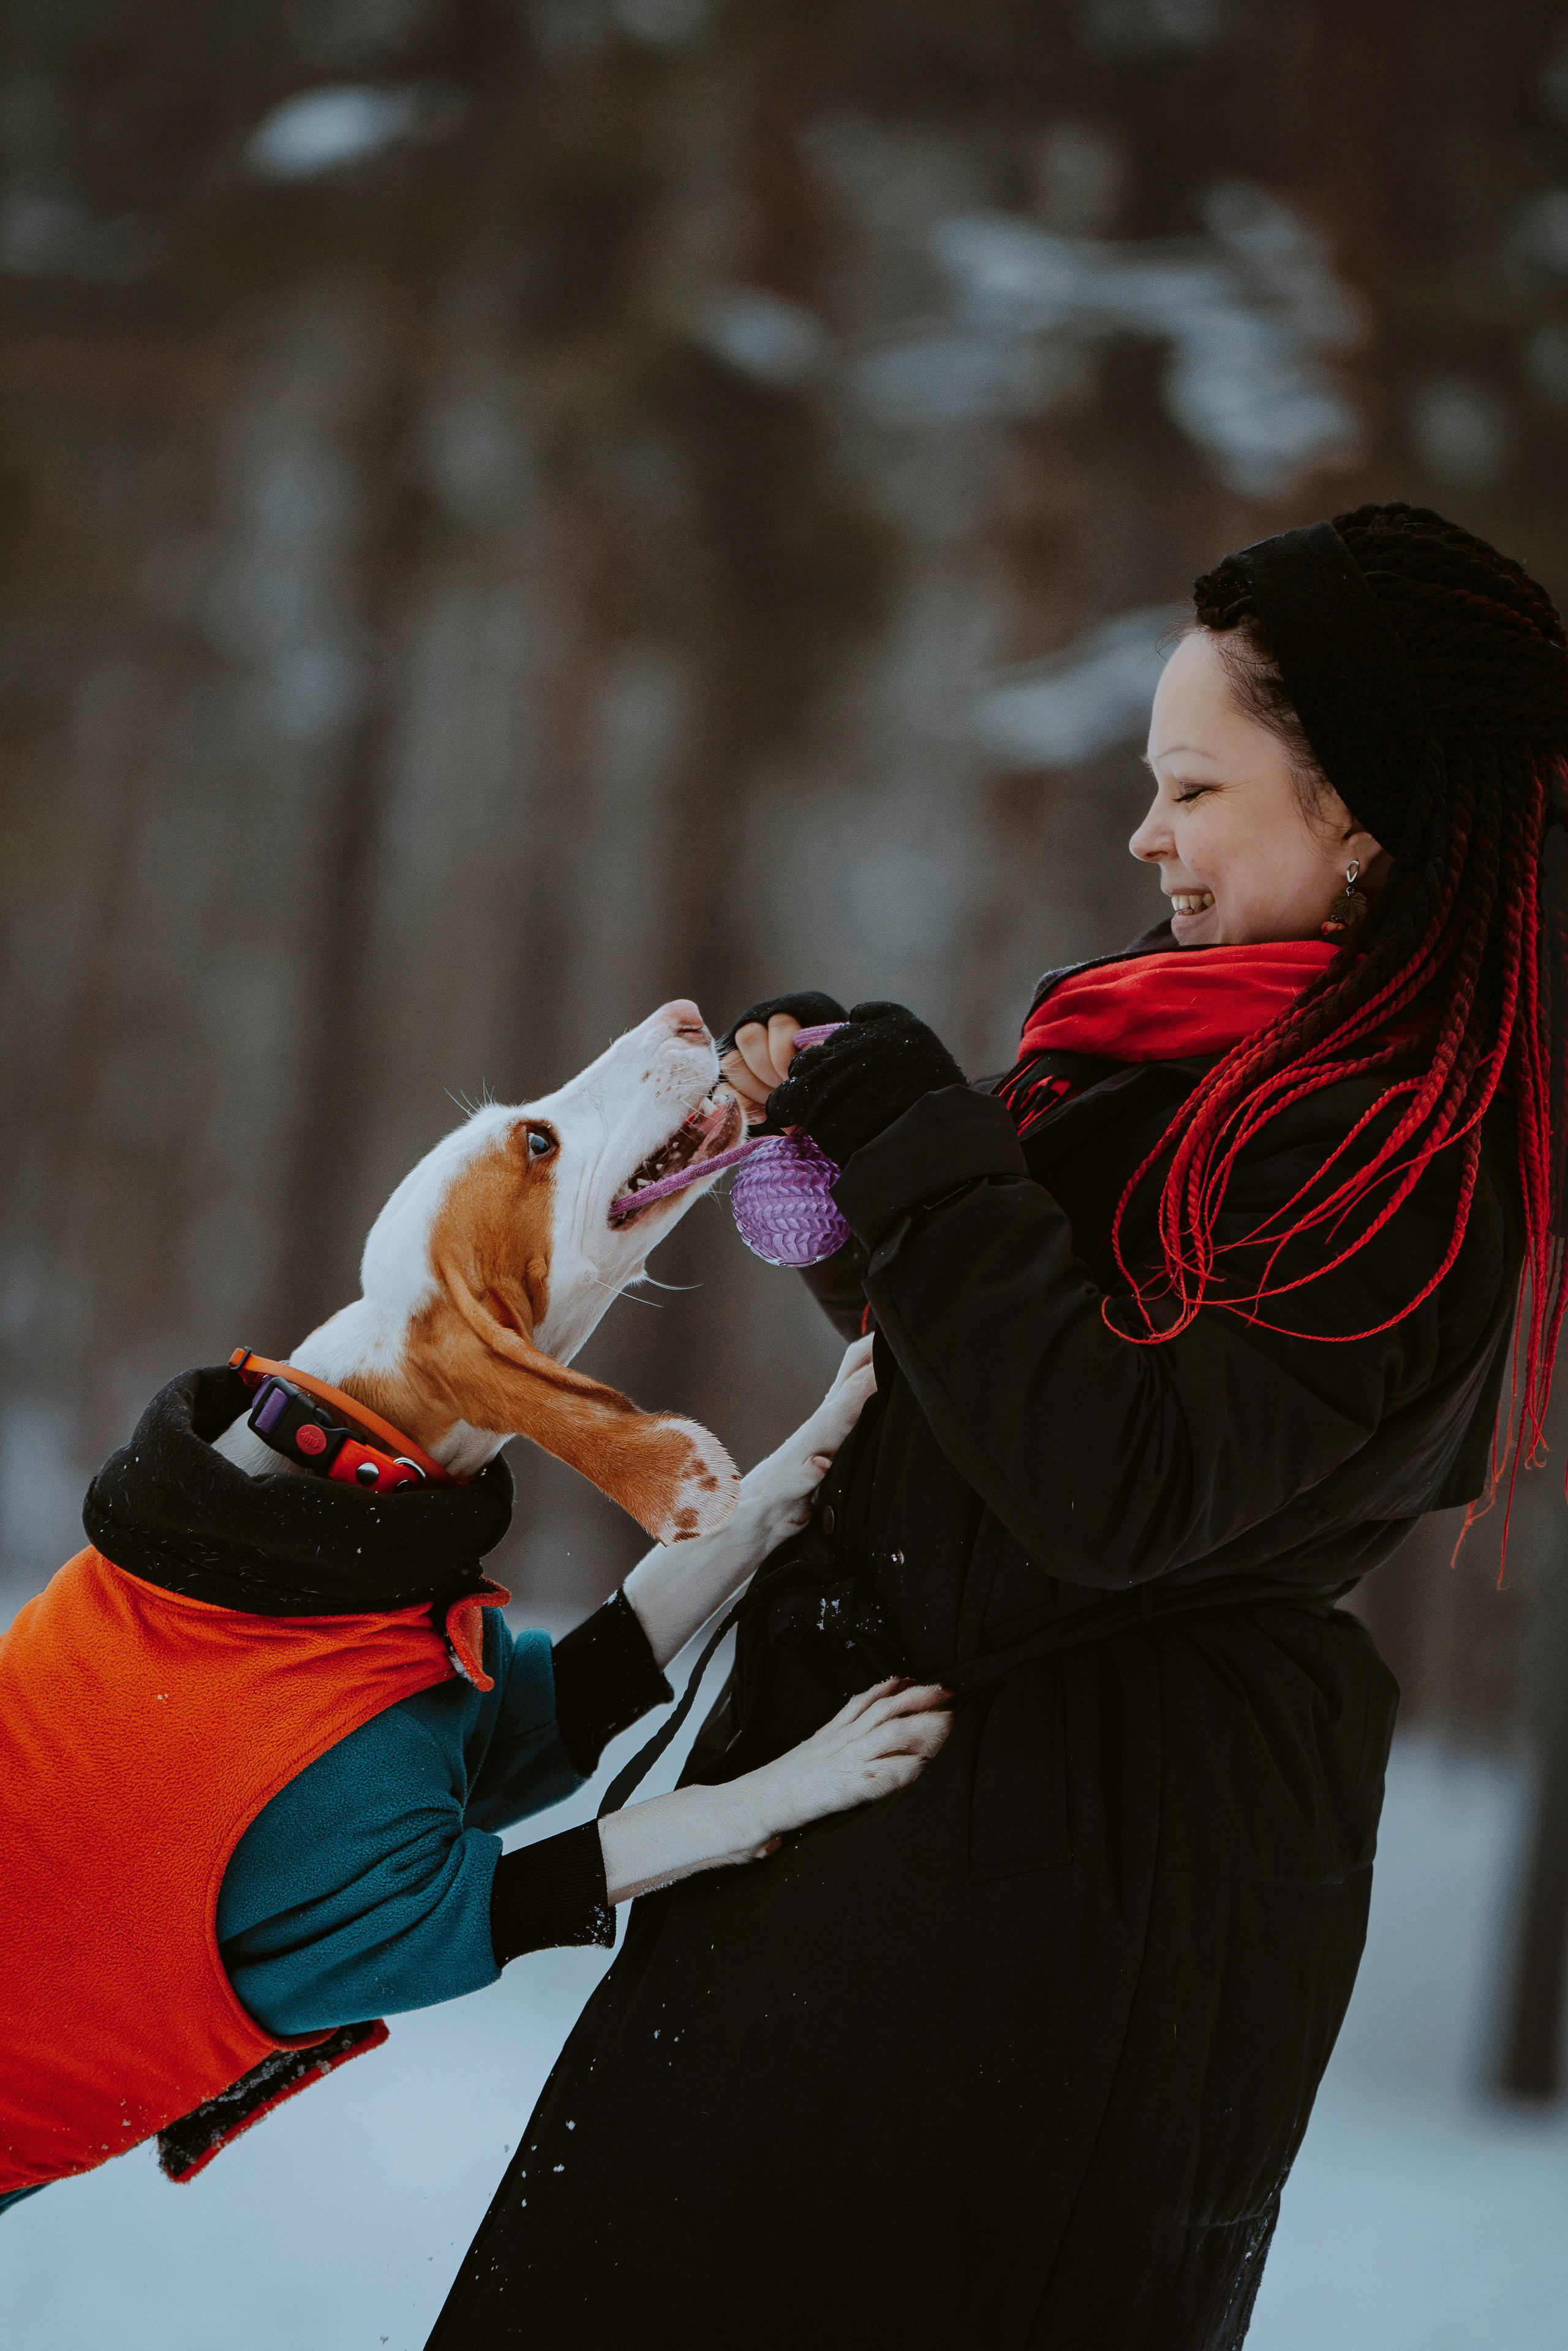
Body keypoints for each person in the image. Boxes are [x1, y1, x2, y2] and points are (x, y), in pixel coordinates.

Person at [427, 505, 1568, 2350]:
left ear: (1362, 815)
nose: (1147, 837)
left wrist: (918, 1148)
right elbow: (1019, 1387)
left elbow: (1108, 1477)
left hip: (1067, 1912)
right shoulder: (1205, 1046)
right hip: (915, 1834)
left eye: (1194, 788)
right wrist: (855, 1166)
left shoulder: (1402, 1160)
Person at [0, 1343, 949, 2216]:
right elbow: (501, 1906)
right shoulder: (307, 1820)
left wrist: (771, 1498)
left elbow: (556, 1710)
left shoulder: (319, 1697)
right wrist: (779, 1793)